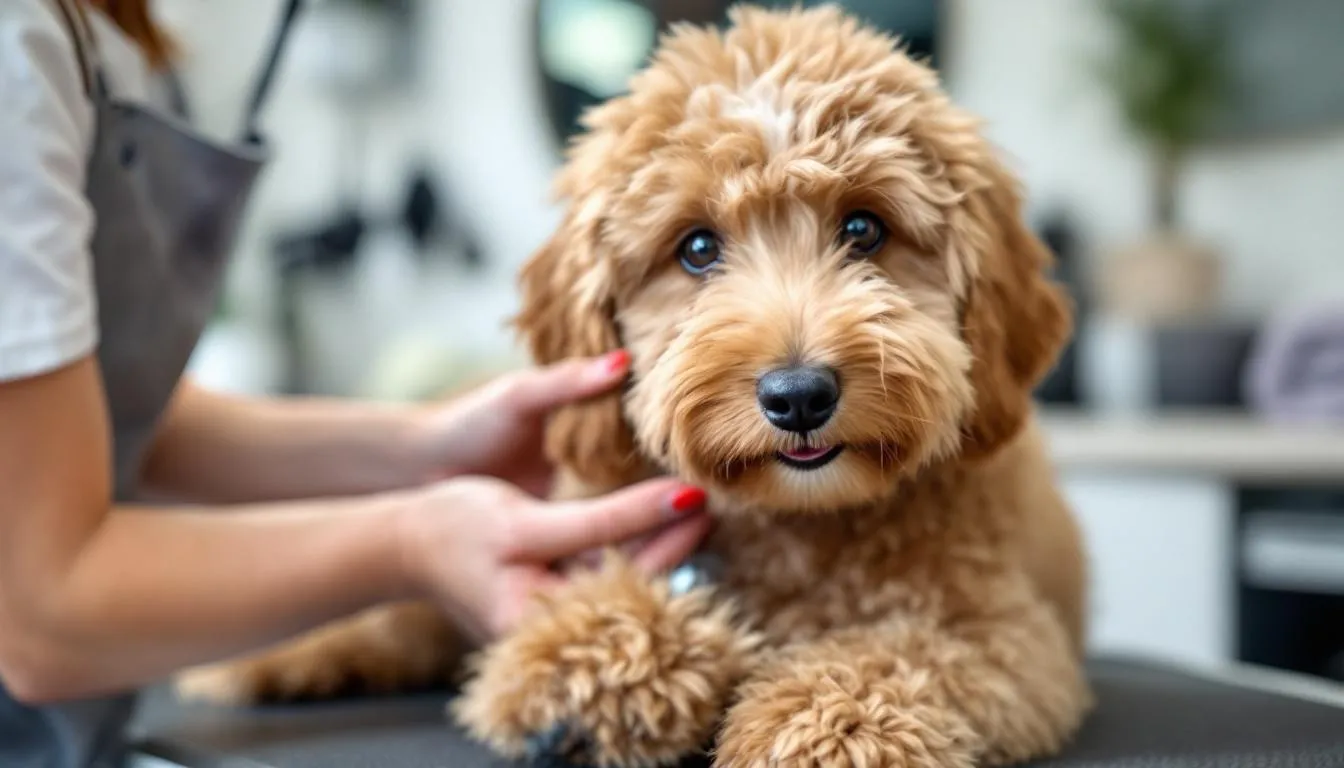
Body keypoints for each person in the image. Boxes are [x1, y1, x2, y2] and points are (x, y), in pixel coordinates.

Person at [0, 2, 711, 766]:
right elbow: (44, 617)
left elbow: (112, 417)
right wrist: (415, 543)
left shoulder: (117, 34)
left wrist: (422, 447)